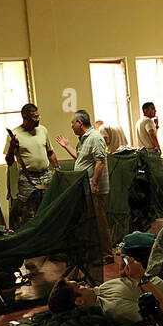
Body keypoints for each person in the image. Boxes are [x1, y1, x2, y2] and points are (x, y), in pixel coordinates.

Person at [55, 109, 113, 258]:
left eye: (73, 123)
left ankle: (106, 254)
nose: (71, 126)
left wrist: (94, 185)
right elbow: (80, 159)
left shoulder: (95, 137)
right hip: (87, 187)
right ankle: (97, 252)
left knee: (99, 221)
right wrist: (66, 146)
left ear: (80, 123)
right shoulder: (84, 139)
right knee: (92, 221)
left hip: (95, 189)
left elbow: (100, 162)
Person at [4, 103, 59, 229]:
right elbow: (9, 161)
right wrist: (12, 146)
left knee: (48, 208)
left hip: (46, 174)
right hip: (28, 178)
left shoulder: (43, 130)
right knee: (28, 213)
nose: (38, 119)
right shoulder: (14, 134)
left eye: (38, 116)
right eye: (34, 117)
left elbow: (50, 152)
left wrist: (57, 167)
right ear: (25, 117)